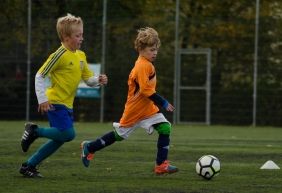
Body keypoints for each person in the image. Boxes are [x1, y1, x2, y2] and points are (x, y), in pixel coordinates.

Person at [19, 13, 108, 178]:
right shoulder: (59, 55)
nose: (81, 38)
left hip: (67, 104)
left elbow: (88, 79)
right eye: (78, 35)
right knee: (68, 134)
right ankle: (34, 131)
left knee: (59, 139)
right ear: (66, 37)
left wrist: (98, 80)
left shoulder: (81, 55)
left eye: (82, 34)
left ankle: (29, 166)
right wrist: (43, 99)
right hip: (55, 102)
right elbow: (40, 75)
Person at [80, 27, 178, 175]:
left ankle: (161, 165)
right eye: (152, 49)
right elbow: (145, 90)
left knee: (165, 128)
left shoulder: (146, 63)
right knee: (119, 135)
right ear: (141, 49)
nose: (155, 52)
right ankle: (90, 147)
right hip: (135, 110)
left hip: (147, 109)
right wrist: (163, 102)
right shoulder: (143, 65)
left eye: (156, 49)